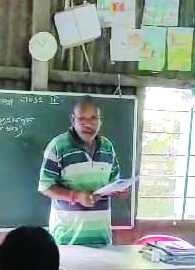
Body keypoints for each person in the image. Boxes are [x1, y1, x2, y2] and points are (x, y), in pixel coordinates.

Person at [38, 97, 128, 246]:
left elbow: (114, 182)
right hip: (66, 240)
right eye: (82, 119)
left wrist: (119, 191)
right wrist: (76, 196)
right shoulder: (58, 146)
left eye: (94, 118)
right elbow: (46, 187)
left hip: (102, 239)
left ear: (100, 121)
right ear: (73, 120)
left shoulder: (107, 147)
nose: (88, 124)